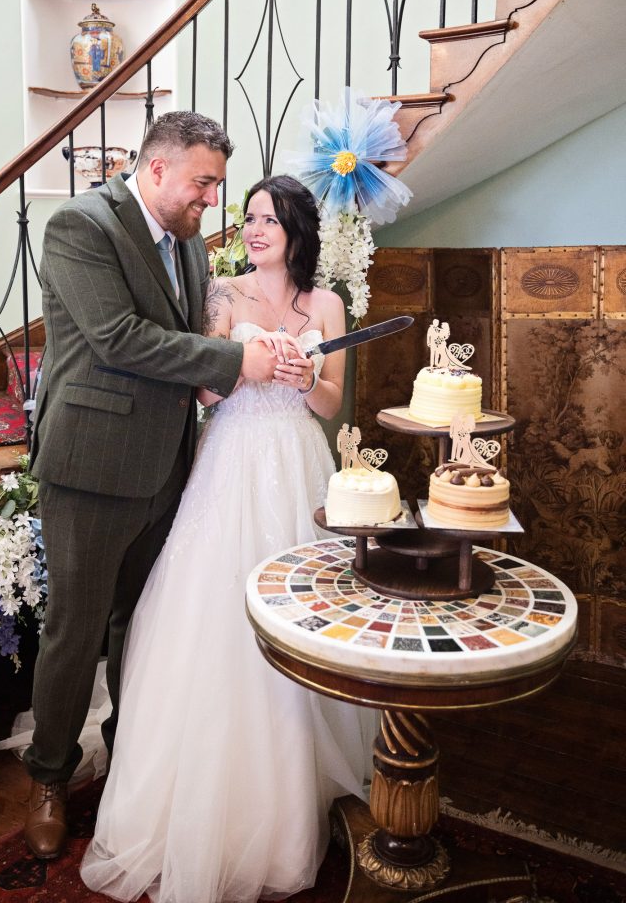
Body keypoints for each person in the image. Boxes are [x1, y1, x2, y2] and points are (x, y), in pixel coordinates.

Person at [80, 175, 375, 903]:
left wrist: (305, 375)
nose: (253, 229)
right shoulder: (223, 295)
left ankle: (305, 778)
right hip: (232, 457)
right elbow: (204, 391)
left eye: (269, 219)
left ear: (297, 230)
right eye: (247, 218)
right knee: (213, 613)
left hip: (298, 461)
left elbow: (332, 404)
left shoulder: (329, 303)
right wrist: (247, 369)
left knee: (309, 614)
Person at [22, 112, 296, 861]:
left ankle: (127, 759)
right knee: (76, 632)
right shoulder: (80, 226)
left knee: (137, 627)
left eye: (216, 184)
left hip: (169, 462)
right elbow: (117, 339)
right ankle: (49, 776)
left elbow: (186, 341)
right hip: (90, 464)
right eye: (203, 183)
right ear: (156, 170)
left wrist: (229, 374)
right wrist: (232, 363)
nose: (212, 198)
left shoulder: (189, 246)